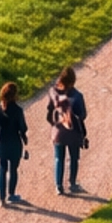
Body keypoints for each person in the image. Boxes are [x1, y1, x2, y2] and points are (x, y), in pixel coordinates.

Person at [45, 66, 88, 194]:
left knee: (59, 158)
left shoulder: (55, 94)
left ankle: (58, 186)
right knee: (74, 158)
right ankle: (72, 184)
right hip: (73, 132)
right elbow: (82, 115)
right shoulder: (78, 96)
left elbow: (49, 110)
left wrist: (53, 123)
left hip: (58, 131)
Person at [0, 81, 28, 206]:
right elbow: (23, 128)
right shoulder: (18, 110)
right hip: (14, 144)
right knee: (13, 170)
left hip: (0, 144)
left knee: (2, 169)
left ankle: (1, 199)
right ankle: (11, 194)